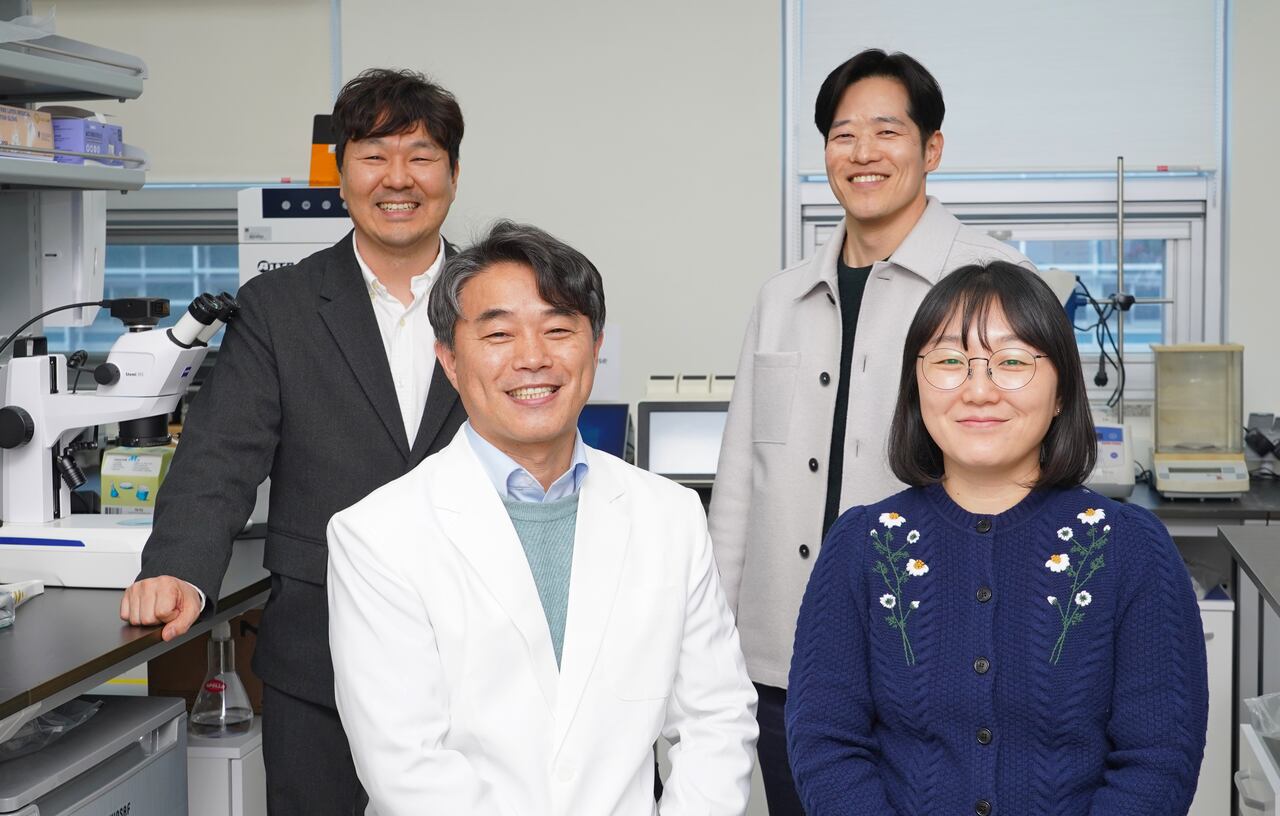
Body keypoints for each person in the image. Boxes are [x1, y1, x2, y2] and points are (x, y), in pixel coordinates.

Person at [119, 68, 469, 814]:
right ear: (341, 175)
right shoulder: (278, 306)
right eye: (374, 156)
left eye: (421, 156)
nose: (398, 178)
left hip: (480, 655)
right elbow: (219, 455)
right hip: (320, 657)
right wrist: (179, 568)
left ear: (453, 174)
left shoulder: (499, 302)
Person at [325, 221, 758, 816]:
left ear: (595, 346)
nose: (532, 358)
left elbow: (717, 720)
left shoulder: (671, 517)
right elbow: (406, 765)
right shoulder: (376, 535)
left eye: (558, 329)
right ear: (449, 360)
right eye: (498, 334)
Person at [708, 48, 1037, 813]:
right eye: (843, 134)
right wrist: (713, 643)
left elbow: (1033, 482)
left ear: (932, 148)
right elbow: (740, 487)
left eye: (887, 132)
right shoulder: (782, 299)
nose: (863, 153)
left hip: (937, 663)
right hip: (782, 666)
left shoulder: (994, 283)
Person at [786, 261, 1208, 814]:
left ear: (1061, 391)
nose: (979, 390)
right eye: (949, 362)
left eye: (1012, 362)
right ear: (916, 387)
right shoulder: (862, 545)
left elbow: (1159, 759)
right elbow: (826, 744)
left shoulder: (1131, 548)